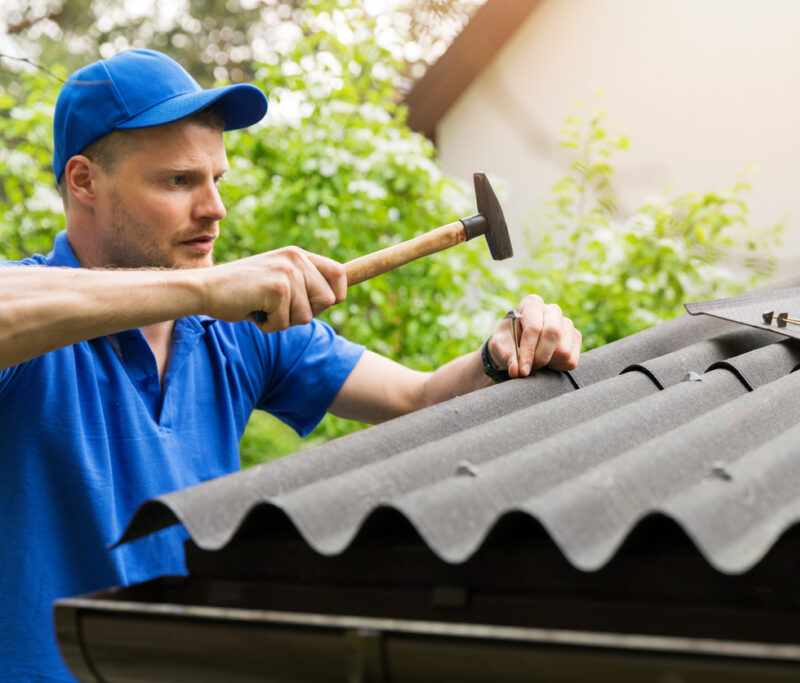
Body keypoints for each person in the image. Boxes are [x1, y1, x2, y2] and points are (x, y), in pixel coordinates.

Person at [0, 49, 581, 681]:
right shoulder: (32, 313)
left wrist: (500, 356)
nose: (214, 208)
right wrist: (205, 289)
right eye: (178, 181)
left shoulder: (241, 331)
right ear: (84, 181)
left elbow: (419, 400)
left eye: (217, 179)